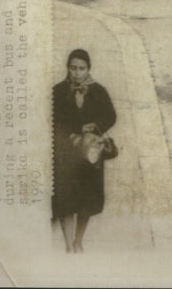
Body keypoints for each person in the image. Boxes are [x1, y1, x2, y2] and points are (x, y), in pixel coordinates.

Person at [52, 49, 116, 253]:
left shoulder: (98, 91)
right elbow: (54, 120)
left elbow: (111, 116)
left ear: (88, 69)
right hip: (66, 154)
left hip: (90, 154)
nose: (77, 73)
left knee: (86, 200)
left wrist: (95, 126)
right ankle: (69, 244)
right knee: (65, 198)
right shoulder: (58, 91)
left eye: (82, 68)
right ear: (67, 69)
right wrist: (70, 135)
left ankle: (79, 240)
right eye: (73, 68)